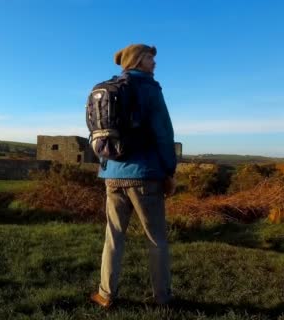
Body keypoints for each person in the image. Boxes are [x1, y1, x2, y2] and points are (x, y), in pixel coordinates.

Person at [90, 44, 177, 308]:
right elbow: (164, 134)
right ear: (138, 60)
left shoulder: (112, 89)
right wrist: (169, 171)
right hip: (145, 176)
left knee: (113, 236)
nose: (154, 63)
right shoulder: (150, 88)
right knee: (156, 239)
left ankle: (106, 294)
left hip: (112, 174)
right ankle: (162, 297)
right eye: (150, 57)